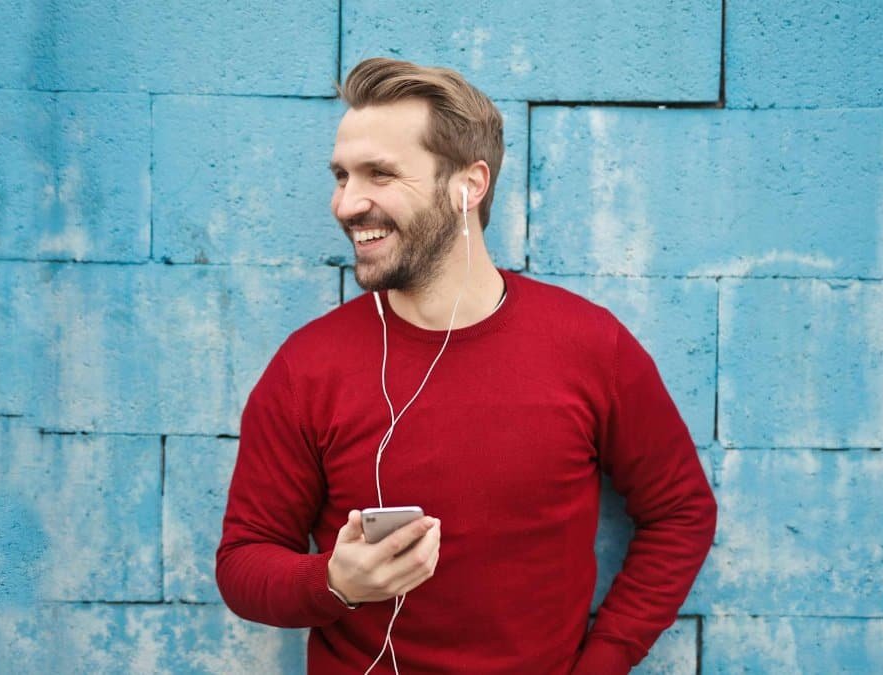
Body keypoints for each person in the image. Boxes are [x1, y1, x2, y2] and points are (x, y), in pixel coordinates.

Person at [216, 57, 717, 675]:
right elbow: (243, 562)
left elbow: (681, 513)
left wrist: (605, 661)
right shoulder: (306, 368)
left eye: (380, 174)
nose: (347, 204)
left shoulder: (589, 346)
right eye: (342, 176)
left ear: (468, 185)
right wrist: (334, 581)